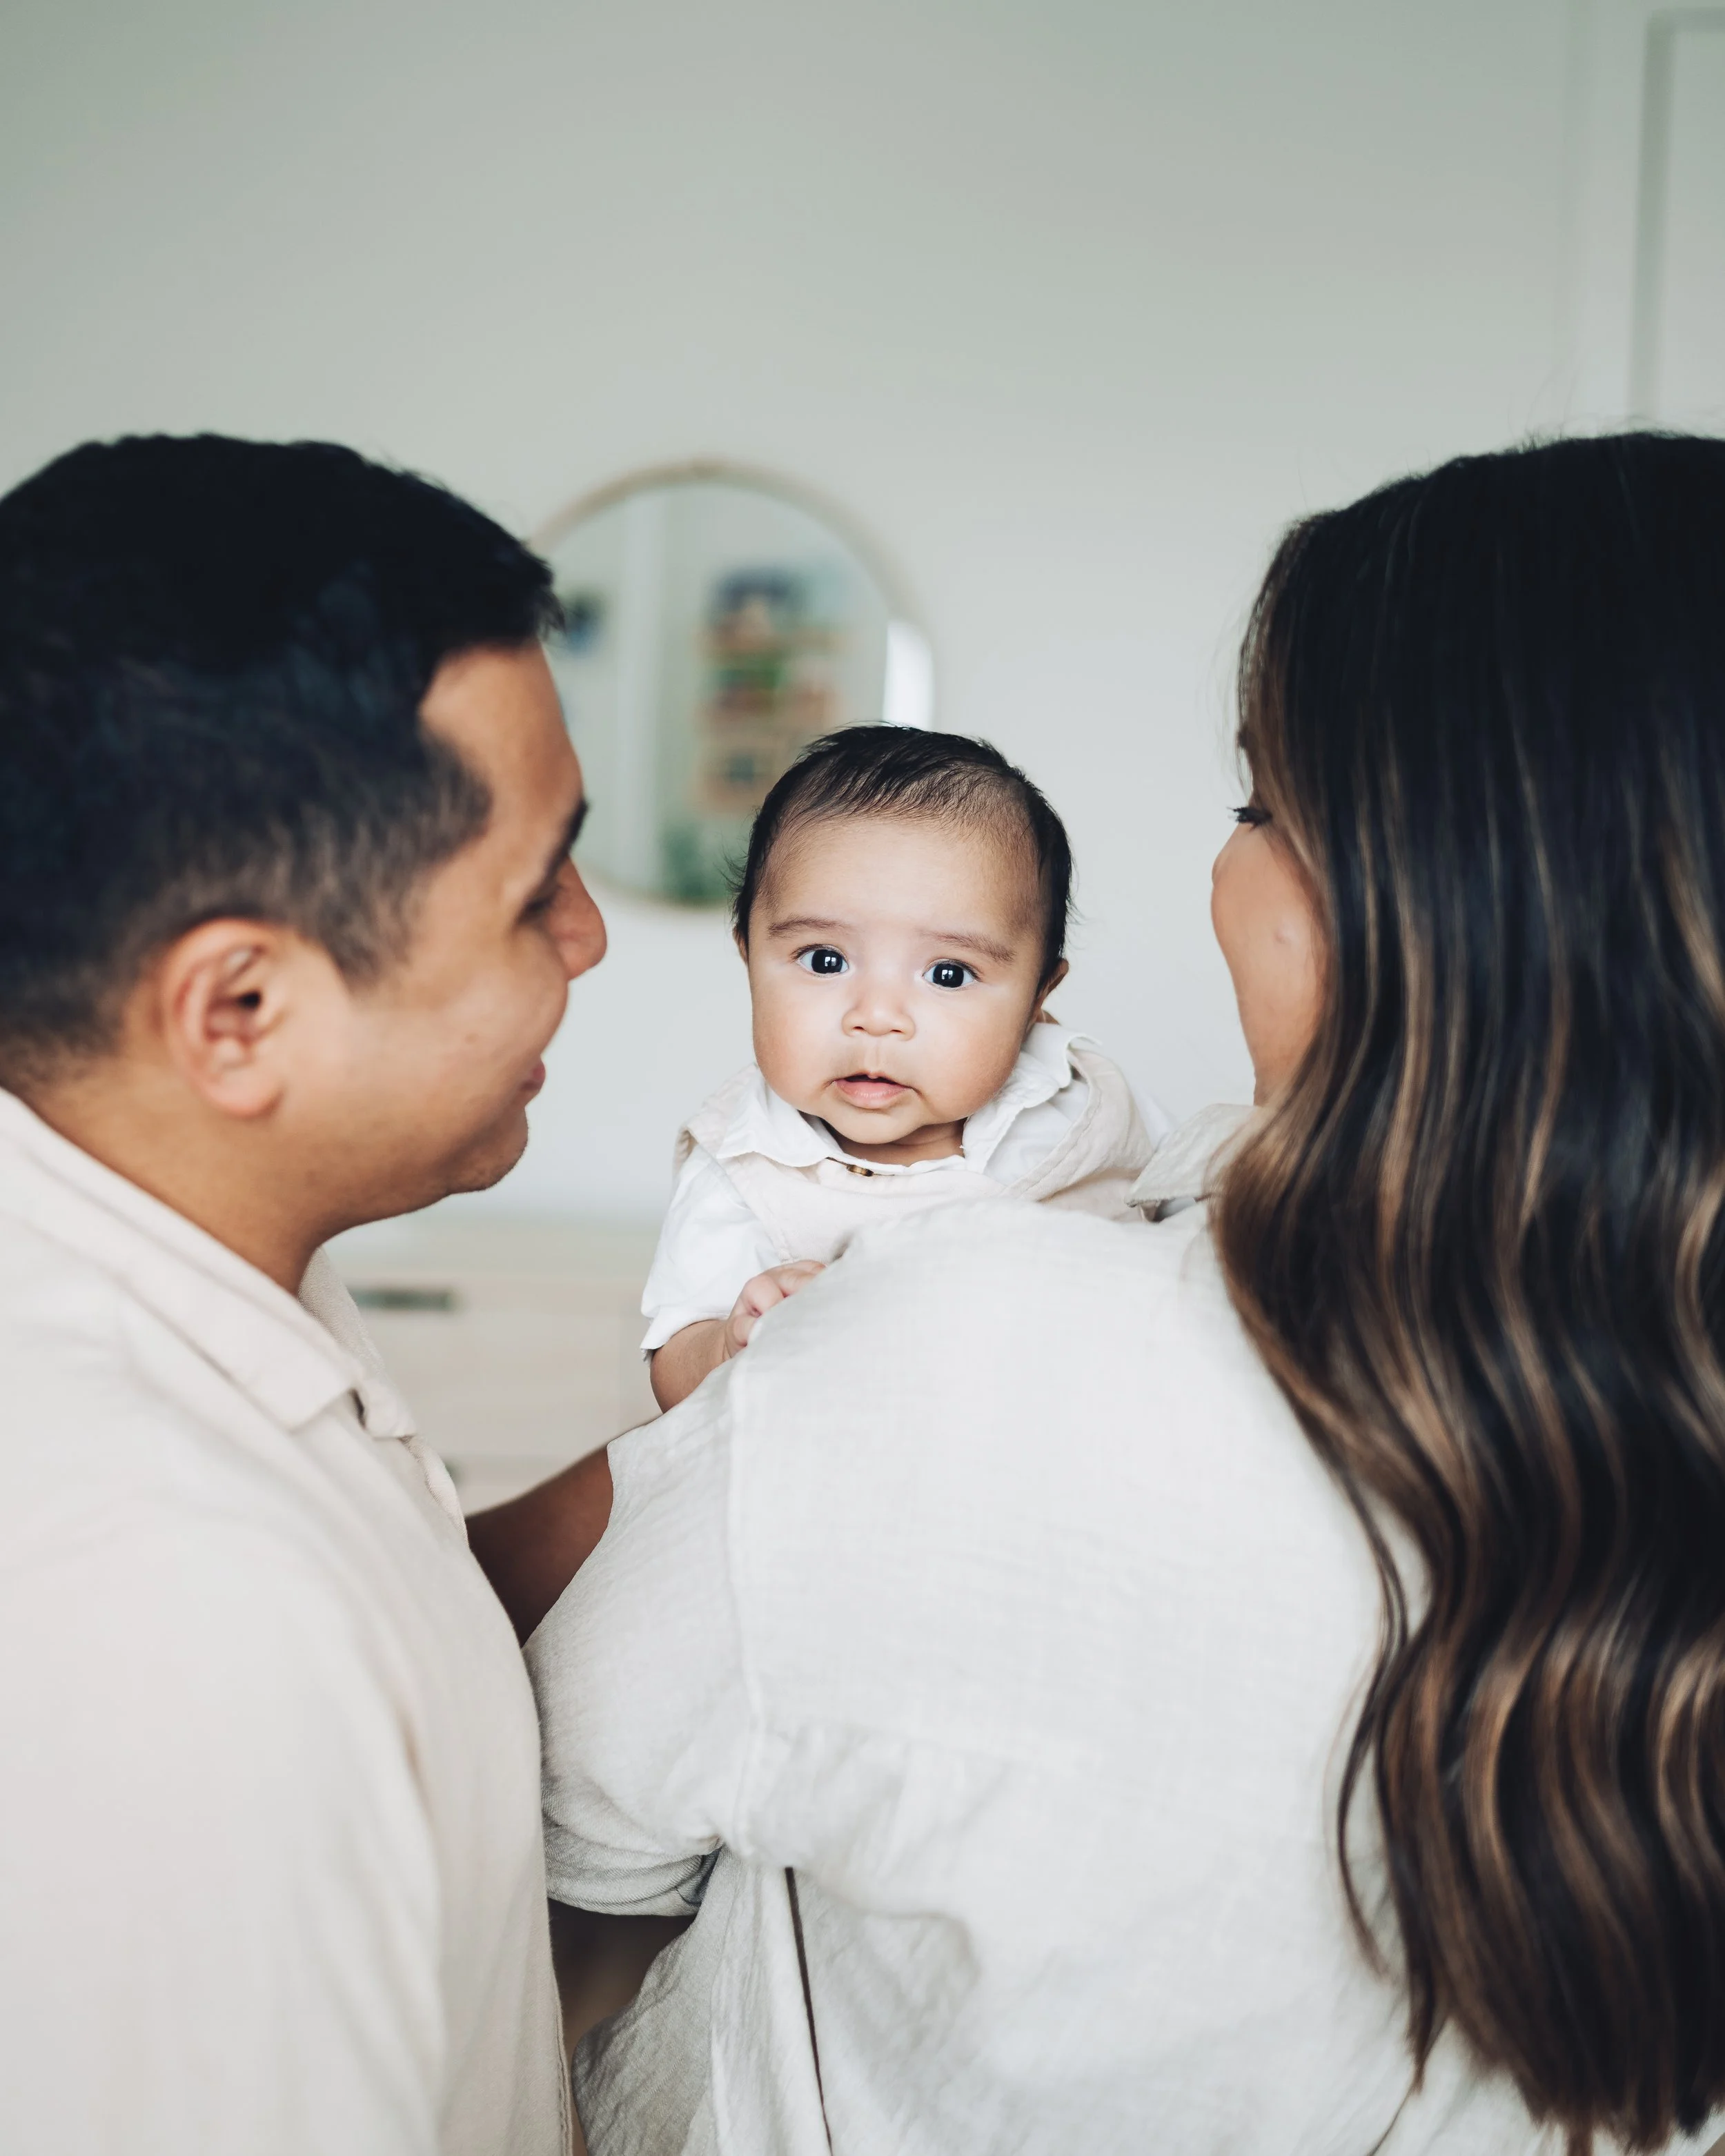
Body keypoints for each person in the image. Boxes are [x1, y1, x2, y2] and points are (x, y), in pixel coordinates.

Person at [481, 433, 1725, 2154]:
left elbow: (554, 1804)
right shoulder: (1136, 1217)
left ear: (1404, 892)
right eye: (822, 953)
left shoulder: (969, 1347)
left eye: (1257, 803)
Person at [0, 434, 606, 2155]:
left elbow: (387, 1611)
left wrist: (701, 1456)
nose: (586, 935)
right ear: (240, 1013)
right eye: (528, 888)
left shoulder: (163, 1255)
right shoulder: (172, 1616)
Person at [643, 726, 1161, 1410]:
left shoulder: (1080, 1099)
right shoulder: (745, 1168)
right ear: (748, 957)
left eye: (948, 974)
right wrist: (732, 1341)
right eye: (825, 960)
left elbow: (1192, 1217)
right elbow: (674, 1359)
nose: (877, 1015)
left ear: (1038, 997)